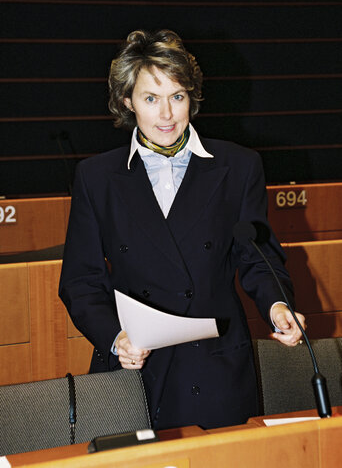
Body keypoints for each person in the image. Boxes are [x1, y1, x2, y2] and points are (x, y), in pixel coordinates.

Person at [59, 29, 305, 430]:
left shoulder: (239, 166)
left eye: (177, 96)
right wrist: (115, 338)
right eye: (150, 99)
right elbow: (80, 280)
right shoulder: (96, 176)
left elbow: (259, 257)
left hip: (214, 364)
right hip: (132, 363)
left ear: (192, 97)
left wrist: (278, 306)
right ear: (127, 102)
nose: (167, 114)